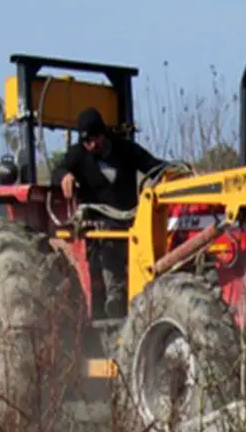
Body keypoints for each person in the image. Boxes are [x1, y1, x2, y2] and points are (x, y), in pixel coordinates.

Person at [52, 107, 166, 318]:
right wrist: (64, 176)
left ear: (103, 133)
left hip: (129, 221)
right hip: (97, 229)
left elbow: (154, 166)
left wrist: (175, 175)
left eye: (95, 139)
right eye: (87, 141)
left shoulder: (125, 150)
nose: (91, 145)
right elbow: (58, 170)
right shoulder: (78, 155)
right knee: (106, 244)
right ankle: (114, 298)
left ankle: (134, 299)